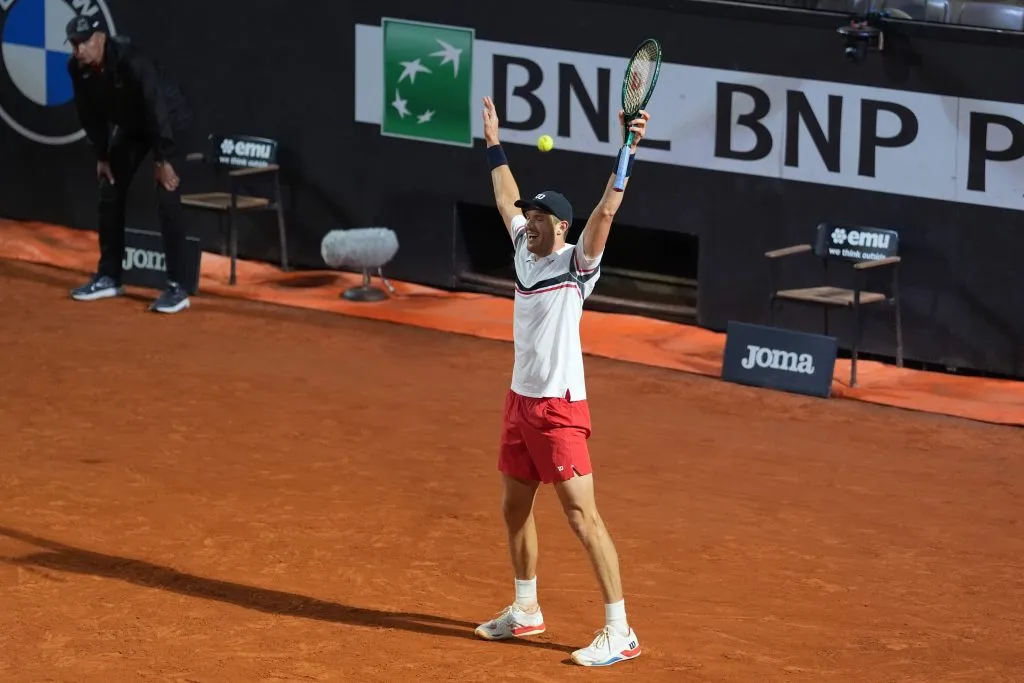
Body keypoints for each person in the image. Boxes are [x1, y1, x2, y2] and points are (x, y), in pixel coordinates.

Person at [473, 95, 650, 667]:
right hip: (519, 403)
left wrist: (627, 148)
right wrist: (494, 142)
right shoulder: (524, 250)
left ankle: (620, 631)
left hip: (558, 409)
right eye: (529, 218)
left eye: (539, 219)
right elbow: (504, 195)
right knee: (513, 509)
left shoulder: (577, 263)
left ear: (562, 228)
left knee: (581, 516)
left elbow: (606, 213)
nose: (529, 224)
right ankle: (526, 609)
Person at [65, 15, 195, 314]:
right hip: (133, 126)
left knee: (167, 193)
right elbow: (88, 113)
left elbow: (155, 107)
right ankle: (109, 276)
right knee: (109, 187)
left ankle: (177, 287)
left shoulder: (133, 61)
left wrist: (163, 158)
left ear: (101, 38)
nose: (79, 50)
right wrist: (102, 156)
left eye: (84, 42)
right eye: (74, 44)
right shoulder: (77, 68)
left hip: (170, 122)